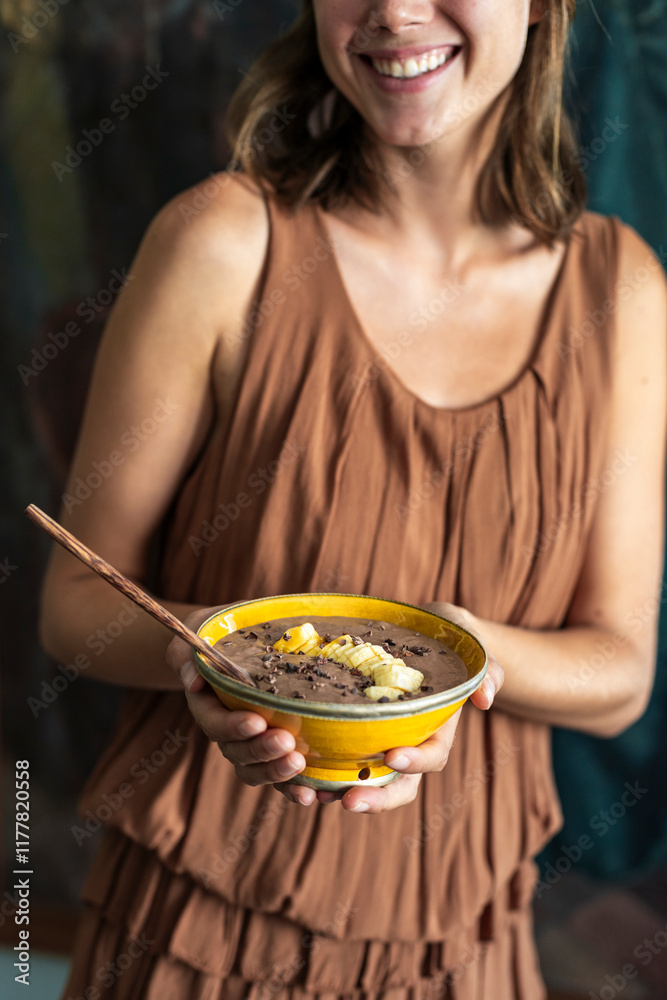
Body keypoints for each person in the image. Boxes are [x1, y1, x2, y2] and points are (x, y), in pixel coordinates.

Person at [41, 1, 666, 998]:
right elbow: (74, 604)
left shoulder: (620, 290)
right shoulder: (221, 242)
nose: (394, 12)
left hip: (465, 943)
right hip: (196, 933)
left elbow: (620, 671)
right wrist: (218, 660)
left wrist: (454, 660)